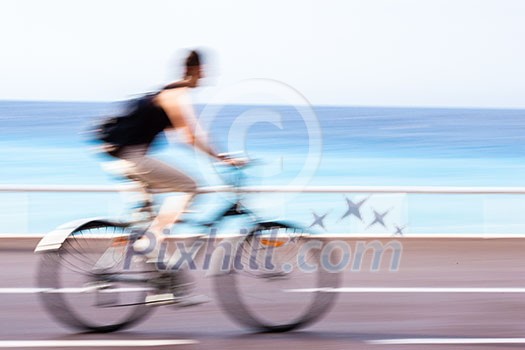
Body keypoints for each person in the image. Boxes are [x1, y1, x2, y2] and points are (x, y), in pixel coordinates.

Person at [100, 50, 241, 305]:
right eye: (204, 70)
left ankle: (164, 288)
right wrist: (222, 158)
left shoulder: (166, 92)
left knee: (150, 222)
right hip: (134, 160)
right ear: (196, 70)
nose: (207, 75)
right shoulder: (177, 95)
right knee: (190, 186)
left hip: (125, 160)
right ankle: (150, 242)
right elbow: (188, 136)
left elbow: (182, 134)